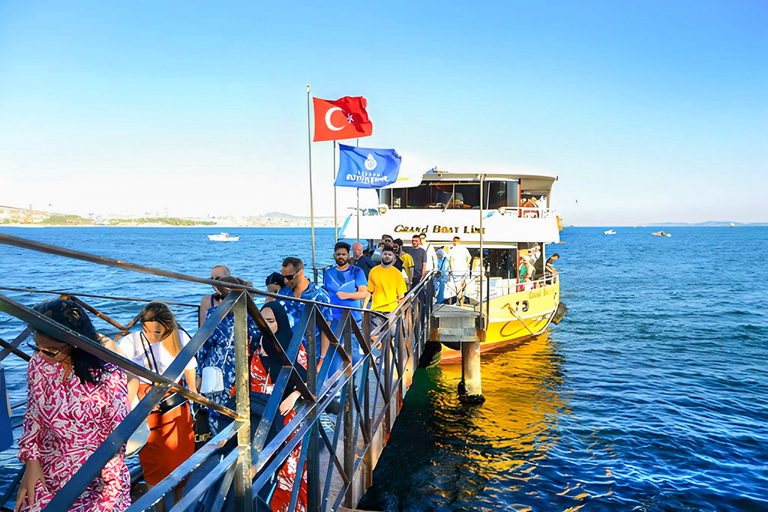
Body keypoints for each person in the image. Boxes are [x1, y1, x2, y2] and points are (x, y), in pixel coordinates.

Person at [16, 299, 130, 512]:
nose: (41, 355)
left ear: (75, 343)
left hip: (97, 472)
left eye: (50, 351)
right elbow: (33, 416)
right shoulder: (39, 364)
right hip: (48, 466)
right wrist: (31, 460)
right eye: (37, 347)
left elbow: (118, 436)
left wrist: (102, 484)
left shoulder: (109, 374)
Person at [117, 302, 196, 509]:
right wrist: (127, 411)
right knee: (153, 460)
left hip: (175, 404)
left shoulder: (179, 337)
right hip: (146, 403)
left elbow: (190, 370)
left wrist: (194, 395)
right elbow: (127, 377)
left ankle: (179, 500)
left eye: (159, 331)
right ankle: (158, 506)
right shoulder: (130, 341)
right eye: (148, 329)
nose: (153, 335)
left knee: (180, 454)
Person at [246, 302, 308, 511]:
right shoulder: (256, 343)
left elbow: (307, 378)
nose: (264, 325)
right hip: (256, 412)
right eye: (261, 320)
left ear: (280, 321)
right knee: (257, 466)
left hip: (283, 413)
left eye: (270, 321)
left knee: (286, 468)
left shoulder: (293, 344)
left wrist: (293, 397)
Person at [197, 276, 261, 433]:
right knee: (234, 404)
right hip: (238, 363)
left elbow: (205, 344)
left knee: (218, 404)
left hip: (218, 364)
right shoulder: (250, 315)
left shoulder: (214, 314)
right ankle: (232, 440)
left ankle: (221, 440)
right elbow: (256, 339)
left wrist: (199, 374)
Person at [278, 257, 334, 369]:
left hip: (312, 356)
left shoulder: (319, 296)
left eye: (289, 277)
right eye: (283, 277)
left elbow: (326, 331)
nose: (285, 281)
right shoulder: (283, 293)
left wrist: (322, 360)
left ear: (301, 272)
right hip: (288, 356)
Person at [323, 242, 369, 374]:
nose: (341, 256)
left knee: (353, 351)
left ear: (348, 255)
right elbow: (326, 292)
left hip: (353, 318)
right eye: (338, 254)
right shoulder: (329, 272)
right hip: (333, 317)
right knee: (333, 350)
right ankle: (333, 384)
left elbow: (364, 293)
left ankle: (352, 381)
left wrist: (346, 295)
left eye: (343, 254)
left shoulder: (357, 272)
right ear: (334, 256)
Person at [367, 244, 407, 316]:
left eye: (389, 254)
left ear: (393, 258)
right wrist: (364, 309)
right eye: (385, 254)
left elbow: (401, 295)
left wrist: (400, 311)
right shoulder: (373, 271)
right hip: (376, 310)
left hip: (392, 310)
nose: (387, 256)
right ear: (381, 255)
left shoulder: (397, 274)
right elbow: (369, 292)